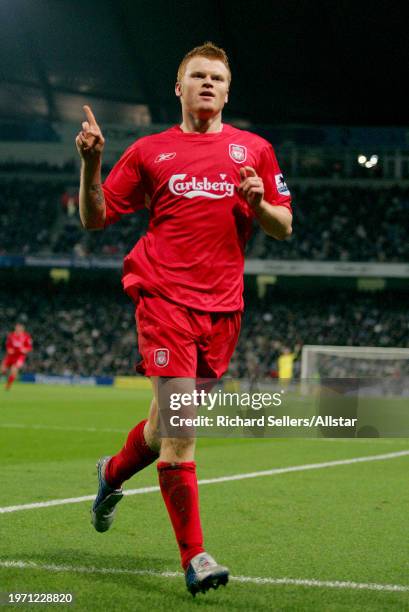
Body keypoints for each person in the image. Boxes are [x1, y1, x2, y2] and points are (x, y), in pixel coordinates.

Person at [76, 42, 292, 596]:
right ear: (179, 87)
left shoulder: (255, 151)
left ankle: (111, 475)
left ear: (227, 89)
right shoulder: (150, 150)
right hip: (163, 299)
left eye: (217, 78)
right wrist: (93, 162)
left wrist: (258, 202)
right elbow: (95, 217)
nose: (207, 84)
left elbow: (283, 226)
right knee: (182, 433)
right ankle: (195, 558)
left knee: (158, 430)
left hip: (223, 310)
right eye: (197, 76)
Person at [1, 323, 33, 390]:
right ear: (15, 328)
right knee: (2, 369)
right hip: (10, 356)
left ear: (22, 329)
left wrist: (25, 350)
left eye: (20, 328)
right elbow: (8, 345)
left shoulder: (26, 336)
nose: (18, 329)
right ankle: (7, 376)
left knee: (14, 370)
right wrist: (9, 349)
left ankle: (8, 386)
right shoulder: (11, 335)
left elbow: (29, 347)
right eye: (17, 328)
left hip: (19, 357)